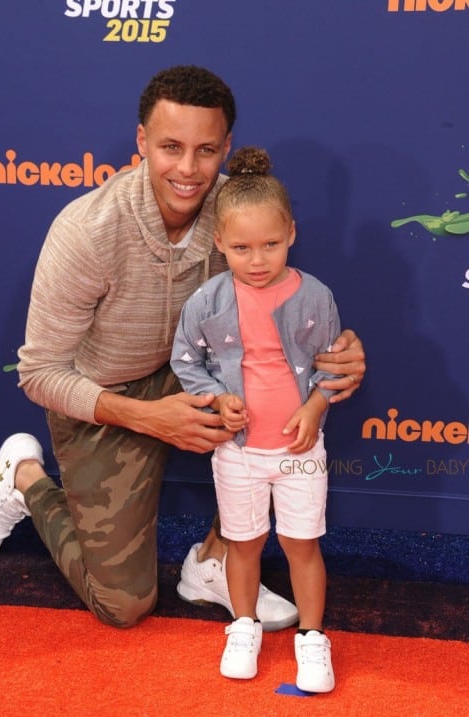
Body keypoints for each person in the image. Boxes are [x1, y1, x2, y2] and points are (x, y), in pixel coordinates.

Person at [0, 66, 365, 633]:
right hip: (106, 393)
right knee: (123, 605)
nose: (188, 168)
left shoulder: (238, 209)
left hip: (199, 374)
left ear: (226, 148)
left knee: (280, 397)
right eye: (170, 147)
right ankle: (25, 480)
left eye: (206, 150)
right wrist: (148, 417)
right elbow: (40, 374)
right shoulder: (86, 230)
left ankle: (215, 563)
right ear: (141, 142)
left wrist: (339, 352)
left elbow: (288, 306)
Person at [170, 146, 338, 691]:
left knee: (301, 546)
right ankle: (243, 626)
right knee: (242, 544)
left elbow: (332, 365)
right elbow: (185, 361)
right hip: (238, 451)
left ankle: (312, 640)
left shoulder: (315, 295)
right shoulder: (206, 301)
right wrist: (218, 398)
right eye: (241, 247)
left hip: (298, 454)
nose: (257, 259)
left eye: (270, 244)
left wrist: (315, 405)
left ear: (291, 231)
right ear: (219, 243)